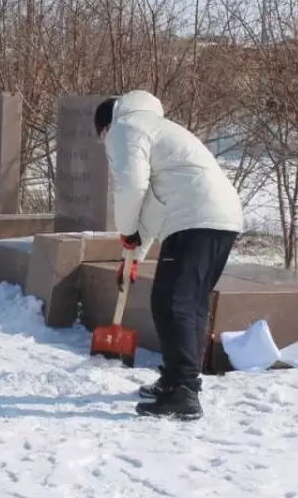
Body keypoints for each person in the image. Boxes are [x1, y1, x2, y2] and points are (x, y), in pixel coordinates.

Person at [95, 90, 244, 421]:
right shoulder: (153, 128)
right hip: (217, 217)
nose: (105, 145)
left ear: (106, 126)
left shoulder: (125, 128)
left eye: (101, 137)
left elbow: (132, 187)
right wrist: (131, 255)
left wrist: (126, 230)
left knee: (172, 302)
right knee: (189, 304)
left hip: (195, 218)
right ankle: (178, 382)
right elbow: (151, 202)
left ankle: (182, 390)